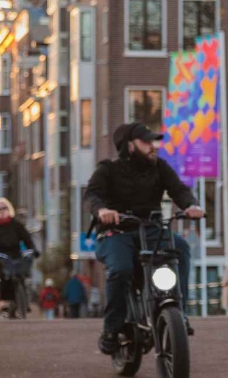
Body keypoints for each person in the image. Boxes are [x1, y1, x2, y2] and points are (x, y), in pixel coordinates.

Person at [84, 122, 205, 355]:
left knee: (180, 249)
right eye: (146, 142)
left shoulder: (159, 167)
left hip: (150, 229)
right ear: (130, 146)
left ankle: (180, 311)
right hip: (117, 232)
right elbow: (92, 195)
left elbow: (178, 189)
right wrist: (101, 211)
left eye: (153, 142)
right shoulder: (108, 169)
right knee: (121, 269)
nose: (153, 146)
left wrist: (191, 205)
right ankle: (112, 329)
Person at [0, 198, 39, 317]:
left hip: (16, 255)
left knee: (22, 274)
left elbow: (27, 239)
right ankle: (5, 303)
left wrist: (33, 250)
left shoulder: (17, 225)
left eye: (4, 208)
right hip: (1, 257)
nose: (2, 211)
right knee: (4, 278)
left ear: (9, 209)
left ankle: (24, 300)